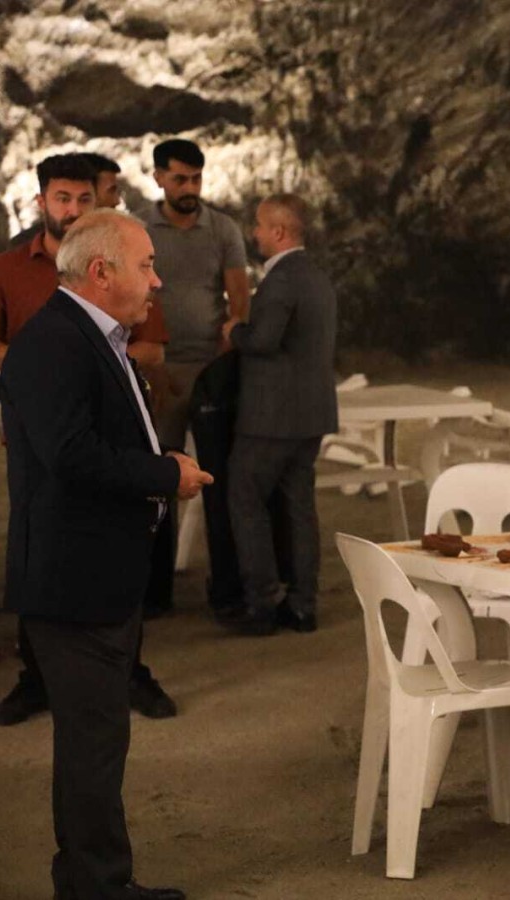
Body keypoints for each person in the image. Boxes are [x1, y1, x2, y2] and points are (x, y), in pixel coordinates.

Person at [0, 208, 211, 900]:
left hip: (97, 572)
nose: (157, 280)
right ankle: (97, 888)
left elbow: (102, 439)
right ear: (101, 272)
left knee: (96, 742)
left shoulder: (91, 336)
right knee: (91, 746)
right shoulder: (55, 342)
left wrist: (160, 466)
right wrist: (165, 474)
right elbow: (71, 455)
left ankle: (95, 882)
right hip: (73, 579)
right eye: (146, 265)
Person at [0, 153, 176, 725]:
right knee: (49, 548)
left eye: (86, 199)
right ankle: (37, 677)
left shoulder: (124, 267)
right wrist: (39, 379)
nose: (74, 209)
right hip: (49, 445)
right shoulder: (11, 271)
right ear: (42, 201)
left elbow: (149, 347)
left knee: (112, 568)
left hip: (105, 442)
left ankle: (128, 672)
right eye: (63, 198)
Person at [138, 138, 250, 617]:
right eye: (180, 178)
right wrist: (149, 365)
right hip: (158, 371)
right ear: (159, 177)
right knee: (157, 478)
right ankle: (154, 592)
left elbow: (239, 299)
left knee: (220, 479)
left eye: (196, 179)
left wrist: (223, 363)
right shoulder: (140, 230)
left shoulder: (222, 229)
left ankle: (226, 588)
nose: (189, 188)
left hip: (210, 371)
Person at [220, 195, 338, 635]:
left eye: (259, 225)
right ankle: (303, 606)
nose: (254, 233)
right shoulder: (318, 278)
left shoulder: (281, 280)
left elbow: (263, 340)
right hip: (312, 414)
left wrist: (235, 331)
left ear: (279, 232)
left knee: (246, 501)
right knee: (300, 508)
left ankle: (261, 604)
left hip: (270, 417)